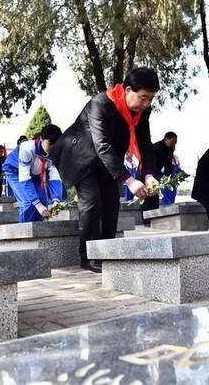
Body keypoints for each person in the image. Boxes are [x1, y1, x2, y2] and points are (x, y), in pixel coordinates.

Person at [51, 67, 159, 273]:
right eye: (143, 98)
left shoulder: (142, 112)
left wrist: (149, 174)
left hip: (107, 162)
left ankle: (106, 252)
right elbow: (103, 145)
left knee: (111, 203)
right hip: (80, 158)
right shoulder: (100, 104)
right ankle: (88, 256)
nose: (147, 104)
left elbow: (145, 143)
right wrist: (129, 180)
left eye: (151, 99)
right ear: (128, 90)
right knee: (92, 202)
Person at [4, 124, 63, 222]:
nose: (52, 147)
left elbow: (55, 176)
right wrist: (37, 204)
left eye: (55, 144)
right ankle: (24, 235)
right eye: (50, 143)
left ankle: (37, 234)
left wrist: (56, 200)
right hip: (15, 171)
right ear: (42, 138)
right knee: (28, 203)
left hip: (34, 174)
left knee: (44, 203)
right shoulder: (27, 147)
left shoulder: (55, 153)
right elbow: (24, 177)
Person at [142, 131, 177, 212]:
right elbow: (151, 164)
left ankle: (154, 217)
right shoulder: (157, 147)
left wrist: (168, 176)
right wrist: (162, 176)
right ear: (166, 139)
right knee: (147, 198)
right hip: (148, 173)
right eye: (172, 142)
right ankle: (146, 220)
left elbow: (168, 164)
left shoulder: (170, 149)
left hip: (156, 175)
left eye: (175, 143)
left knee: (155, 197)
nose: (174, 145)